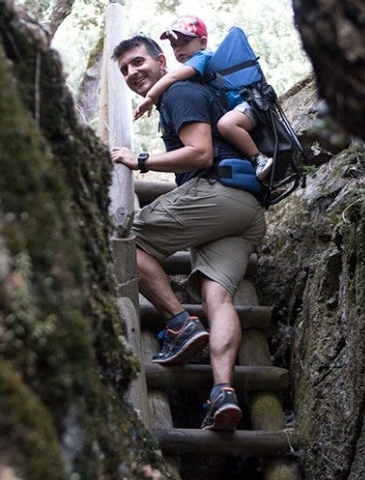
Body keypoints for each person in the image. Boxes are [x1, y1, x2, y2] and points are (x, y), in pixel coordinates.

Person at [110, 34, 266, 431]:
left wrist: (139, 160)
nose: (132, 73)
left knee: (126, 244)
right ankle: (223, 392)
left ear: (162, 61)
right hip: (246, 210)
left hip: (217, 191)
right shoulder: (184, 93)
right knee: (218, 297)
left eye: (138, 62)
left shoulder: (179, 91)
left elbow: (200, 152)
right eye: (125, 69)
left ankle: (179, 324)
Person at [133, 15, 273, 182]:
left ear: (203, 42)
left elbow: (173, 77)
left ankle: (258, 158)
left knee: (226, 125)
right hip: (236, 111)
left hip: (245, 107)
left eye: (184, 42)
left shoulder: (202, 57)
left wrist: (150, 96)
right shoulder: (194, 67)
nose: (178, 49)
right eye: (174, 45)